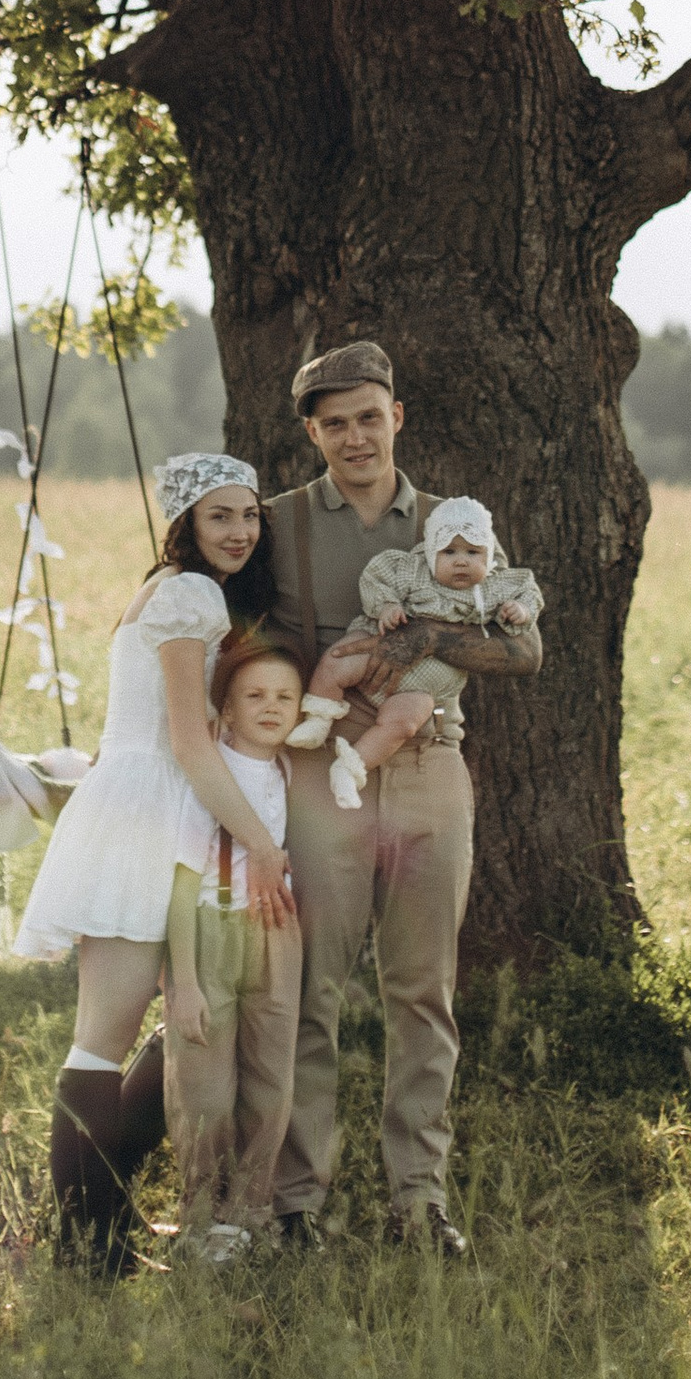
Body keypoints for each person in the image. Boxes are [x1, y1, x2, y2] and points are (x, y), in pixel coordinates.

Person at [265, 342, 541, 1260]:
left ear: (397, 418)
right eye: (334, 422)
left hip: (432, 765)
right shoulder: (279, 526)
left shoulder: (457, 525)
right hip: (322, 771)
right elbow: (236, 649)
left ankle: (418, 1201)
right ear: (312, 432)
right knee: (314, 990)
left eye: (369, 416)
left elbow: (527, 653)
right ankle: (296, 1201)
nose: (354, 436)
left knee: (424, 992)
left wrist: (427, 634)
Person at [15, 451, 289, 1272]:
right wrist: (263, 843)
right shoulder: (189, 593)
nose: (239, 531)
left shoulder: (162, 592)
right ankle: (88, 1248)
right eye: (220, 517)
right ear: (186, 525)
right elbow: (187, 741)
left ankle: (104, 1215)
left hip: (134, 804)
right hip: (145, 815)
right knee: (102, 1040)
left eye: (249, 516)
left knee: (168, 1029)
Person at [162, 632, 306, 1262]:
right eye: (255, 695)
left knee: (271, 1080)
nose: (271, 706)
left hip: (276, 935)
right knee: (206, 1088)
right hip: (211, 930)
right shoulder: (209, 771)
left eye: (285, 696)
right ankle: (201, 1215)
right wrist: (184, 981)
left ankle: (251, 1209)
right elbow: (181, 879)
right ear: (227, 706)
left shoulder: (289, 766)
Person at [287, 496, 543, 807]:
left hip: (426, 683)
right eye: (449, 552)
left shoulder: (493, 586)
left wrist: (521, 611)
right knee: (337, 660)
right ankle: (319, 717)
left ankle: (350, 768)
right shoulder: (411, 569)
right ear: (430, 550)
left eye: (473, 552)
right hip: (378, 645)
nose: (461, 561)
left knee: (405, 724)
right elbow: (377, 579)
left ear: (488, 555)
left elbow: (527, 596)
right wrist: (388, 607)